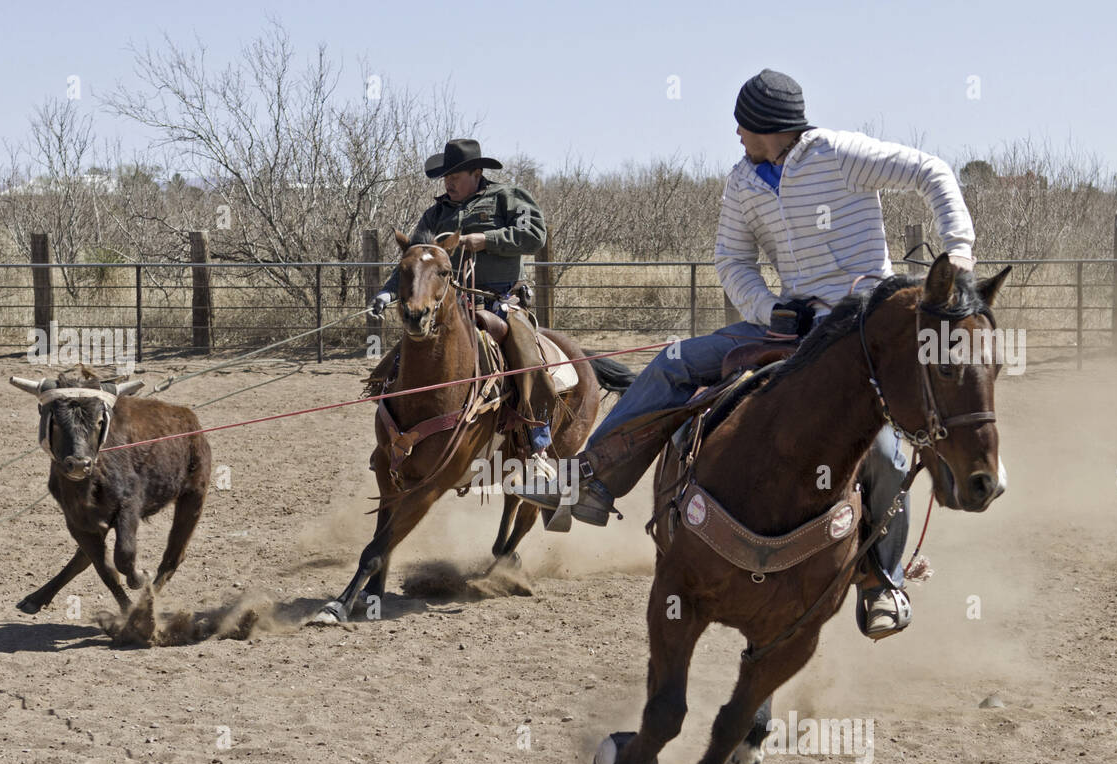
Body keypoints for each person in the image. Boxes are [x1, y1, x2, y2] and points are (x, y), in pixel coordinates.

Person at [517, 70, 978, 639]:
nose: (735, 132)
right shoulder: (743, 182)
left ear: (766, 126)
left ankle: (883, 581)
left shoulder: (839, 153)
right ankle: (594, 479)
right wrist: (768, 308)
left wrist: (957, 252)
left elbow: (931, 171)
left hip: (862, 333)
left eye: (742, 122)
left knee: (885, 450)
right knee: (675, 361)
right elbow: (731, 262)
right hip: (789, 327)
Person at [370, 139, 555, 468]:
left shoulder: (506, 198)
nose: (449, 182)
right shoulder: (437, 213)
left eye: (456, 175)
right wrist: (390, 291)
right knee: (400, 359)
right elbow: (416, 260)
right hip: (449, 303)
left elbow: (535, 235)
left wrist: (486, 240)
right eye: (446, 177)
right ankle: (393, 434)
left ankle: (536, 443)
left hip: (500, 298)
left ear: (477, 172)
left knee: (525, 354)